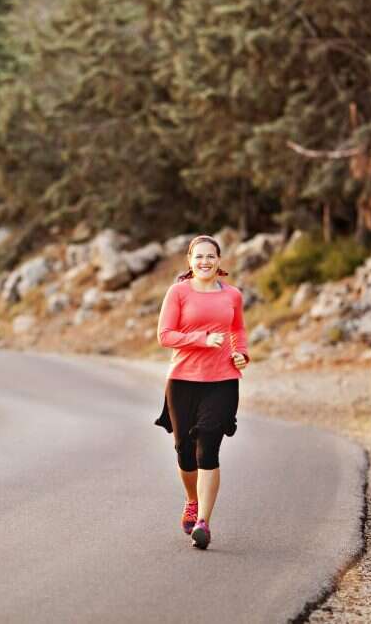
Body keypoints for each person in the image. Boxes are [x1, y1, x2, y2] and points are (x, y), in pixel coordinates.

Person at [154, 234, 249, 549]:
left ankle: (204, 523)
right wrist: (201, 338)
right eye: (199, 257)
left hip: (222, 380)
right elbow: (165, 335)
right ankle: (192, 500)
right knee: (185, 451)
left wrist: (241, 354)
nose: (205, 262)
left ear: (219, 261)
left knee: (208, 445)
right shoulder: (178, 292)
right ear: (190, 262)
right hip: (182, 380)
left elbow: (238, 329)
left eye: (211, 256)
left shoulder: (232, 295)